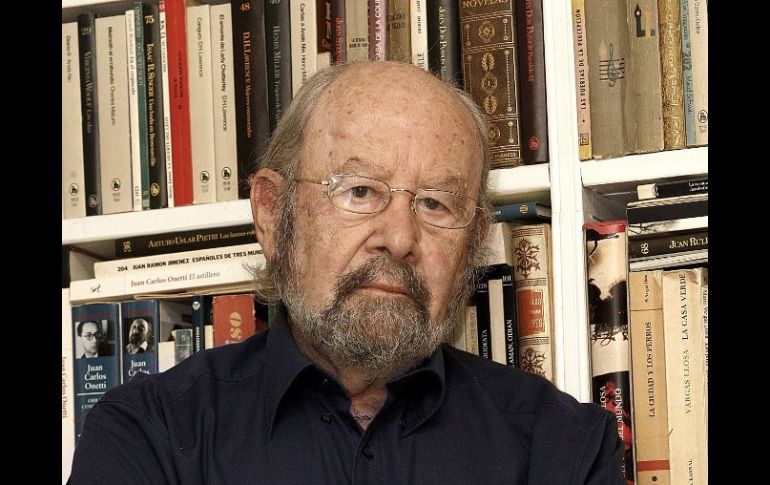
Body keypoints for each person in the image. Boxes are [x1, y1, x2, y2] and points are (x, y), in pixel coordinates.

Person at [70, 62, 624, 484]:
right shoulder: (148, 436)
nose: (399, 239)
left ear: (474, 242)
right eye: (359, 191)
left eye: (435, 203)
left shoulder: (563, 449)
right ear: (272, 214)